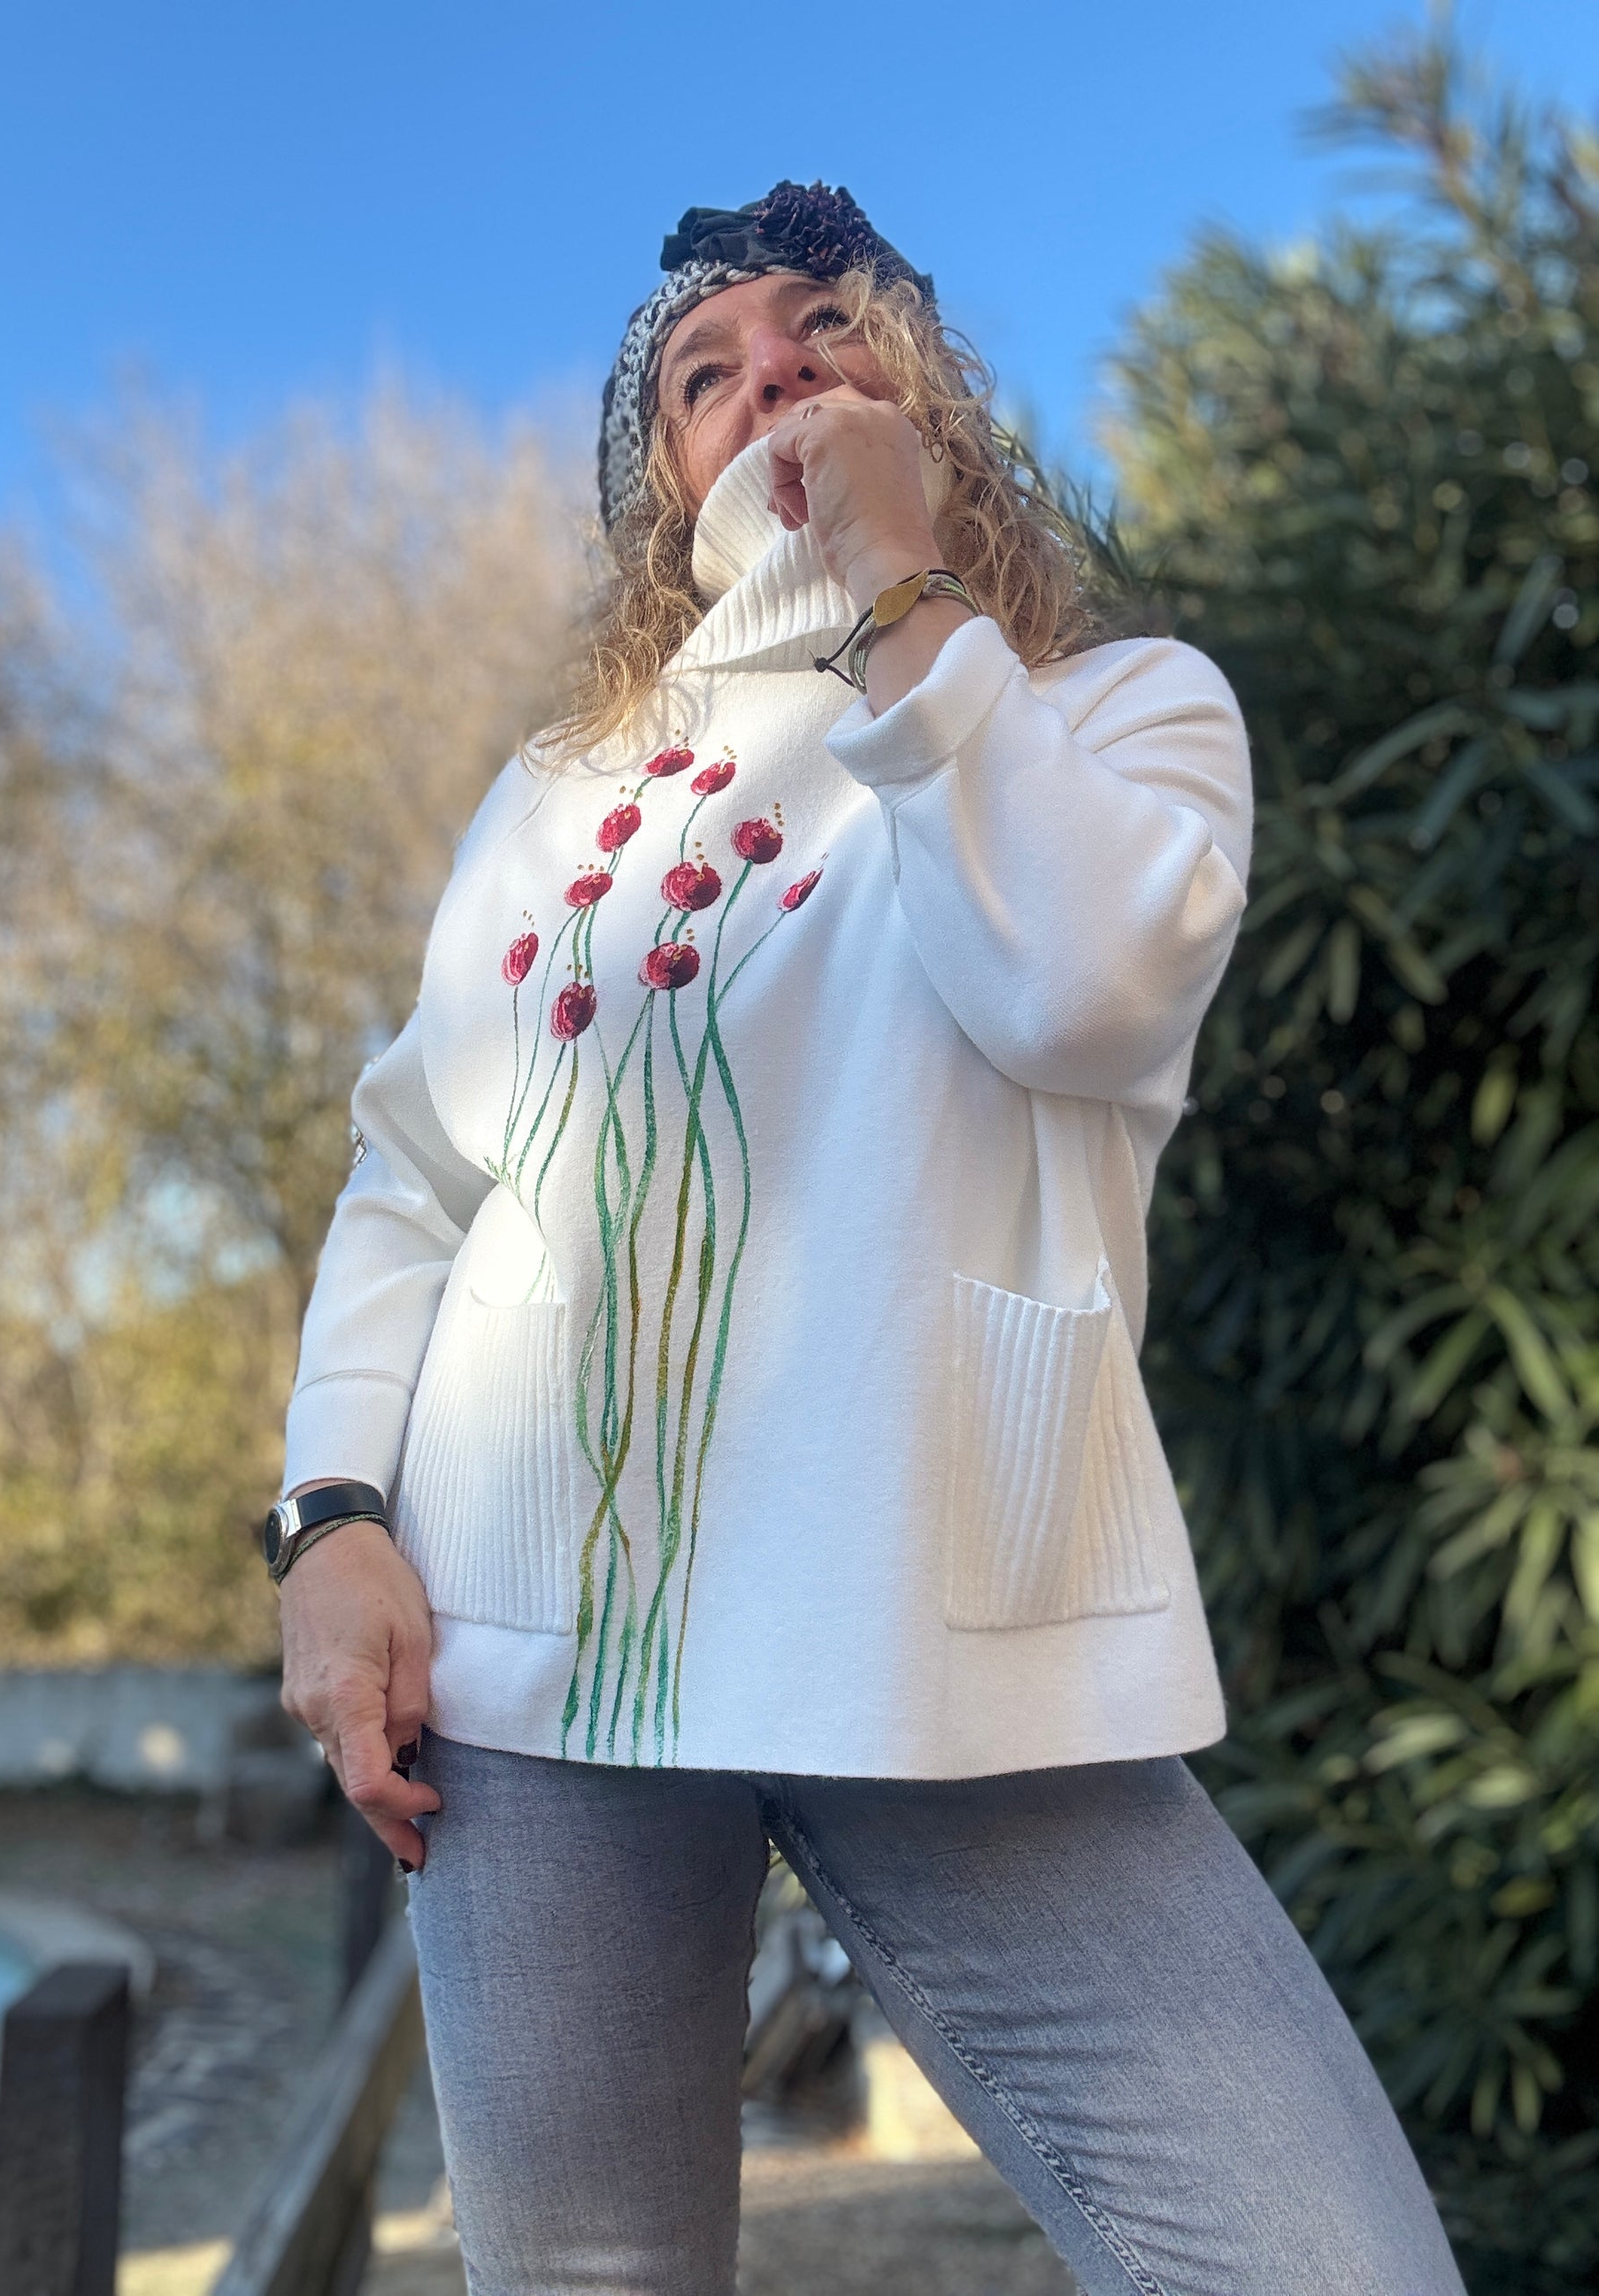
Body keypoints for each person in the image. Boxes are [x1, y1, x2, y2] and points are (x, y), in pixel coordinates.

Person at [267, 183, 1465, 2296]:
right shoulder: (559, 789)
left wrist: (901, 592)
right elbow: (414, 1172)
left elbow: (1076, 991)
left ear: (931, 393)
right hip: (530, 1648)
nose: (772, 377)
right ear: (664, 483)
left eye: (823, 328)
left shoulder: (1120, 708)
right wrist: (331, 1512)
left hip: (950, 1621)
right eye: (702, 374)